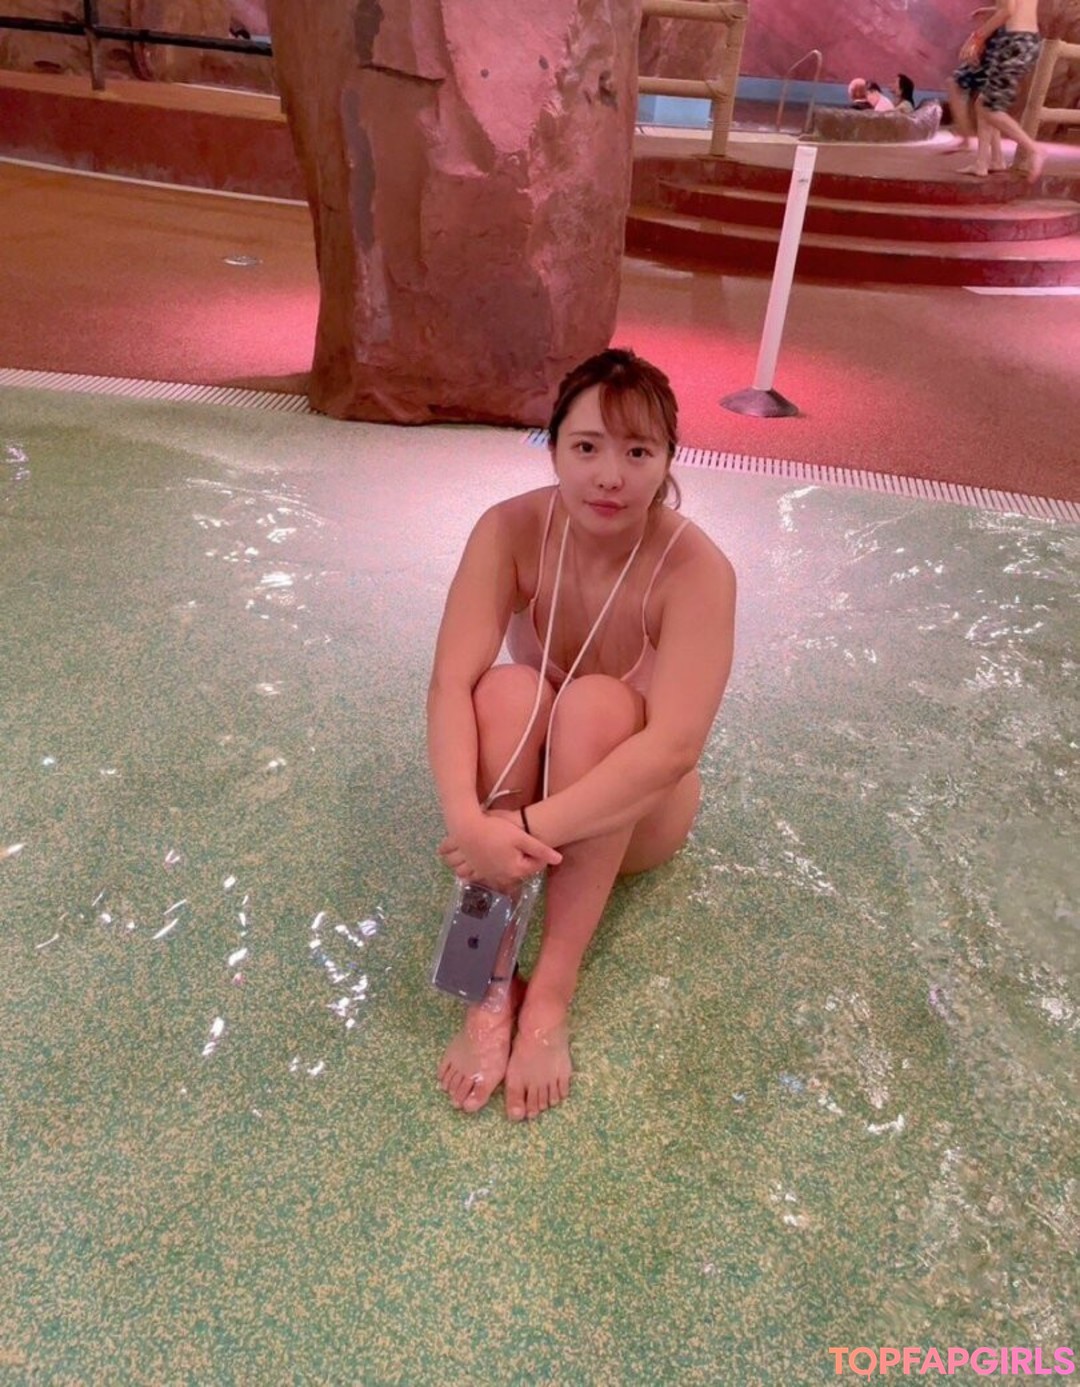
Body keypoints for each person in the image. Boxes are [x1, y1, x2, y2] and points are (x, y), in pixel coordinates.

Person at [428, 348, 737, 1121]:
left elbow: (673, 749)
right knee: (505, 689)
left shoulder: (696, 569)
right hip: (522, 802)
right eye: (588, 447)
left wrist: (522, 830)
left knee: (598, 705)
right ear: (554, 445)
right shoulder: (510, 529)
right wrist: (468, 822)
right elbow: (448, 684)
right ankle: (488, 984)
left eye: (637, 453)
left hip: (634, 813)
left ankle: (550, 997)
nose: (609, 477)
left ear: (667, 460)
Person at [961, 0, 1045, 180]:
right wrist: (992, 9)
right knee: (984, 102)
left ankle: (1033, 149)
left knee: (988, 108)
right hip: (1028, 40)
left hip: (1015, 42)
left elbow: (1007, 11)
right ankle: (986, 162)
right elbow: (1017, 6)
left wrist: (976, 38)